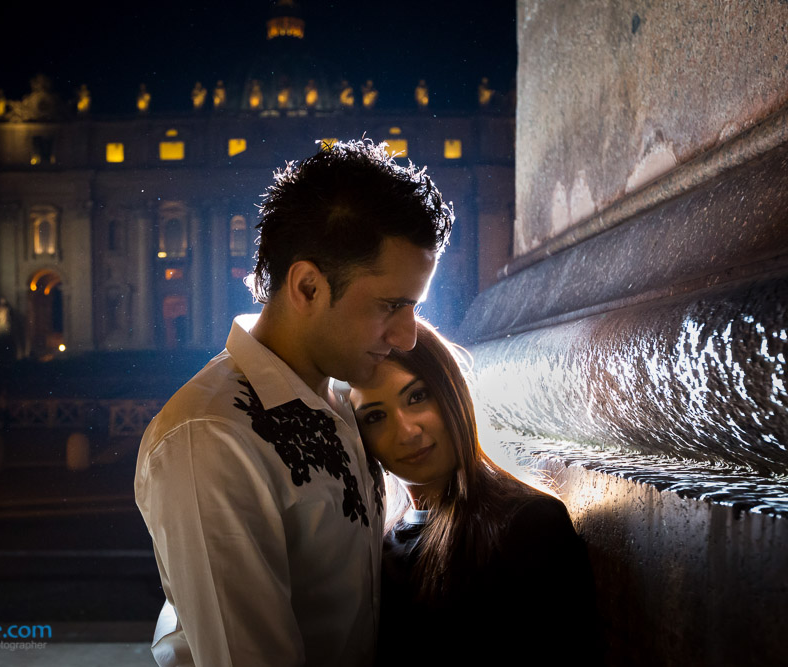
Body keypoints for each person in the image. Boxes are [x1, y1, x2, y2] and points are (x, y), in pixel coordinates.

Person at [135, 139, 453, 666]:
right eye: (392, 306)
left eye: (414, 307)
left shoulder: (344, 400)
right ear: (307, 286)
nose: (408, 336)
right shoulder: (210, 437)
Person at [349, 319, 602, 666]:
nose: (406, 431)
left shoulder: (528, 525)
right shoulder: (377, 540)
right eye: (375, 417)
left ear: (451, 392)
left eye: (417, 396)